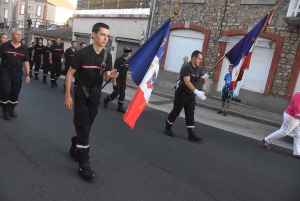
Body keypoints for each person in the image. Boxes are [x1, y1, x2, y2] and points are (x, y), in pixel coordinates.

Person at [64, 22, 118, 180]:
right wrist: (68, 95)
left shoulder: (107, 56)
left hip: (95, 96)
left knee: (86, 126)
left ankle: (75, 146)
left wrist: (112, 76)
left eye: (107, 36)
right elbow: (69, 74)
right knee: (84, 127)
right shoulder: (82, 53)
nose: (105, 38)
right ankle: (83, 163)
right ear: (93, 35)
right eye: (102, 34)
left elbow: (106, 76)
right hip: (81, 94)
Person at [164, 50, 209, 142]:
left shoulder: (198, 69)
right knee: (176, 111)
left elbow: (202, 81)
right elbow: (187, 81)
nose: (200, 60)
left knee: (190, 113)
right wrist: (197, 91)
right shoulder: (186, 67)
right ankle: (168, 127)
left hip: (191, 94)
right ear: (194, 58)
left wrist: (205, 78)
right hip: (182, 93)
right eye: (199, 58)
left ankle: (191, 133)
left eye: (201, 59)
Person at [0, 28, 30, 120]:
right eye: (17, 34)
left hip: (17, 73)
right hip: (5, 71)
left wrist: (28, 75)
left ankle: (11, 108)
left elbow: (26, 62)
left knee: (15, 91)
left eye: (20, 35)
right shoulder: (4, 46)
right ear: (12, 35)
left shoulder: (24, 48)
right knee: (6, 90)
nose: (19, 36)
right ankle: (5, 110)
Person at [263, 92, 300, 158]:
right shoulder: (299, 94)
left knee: (298, 135)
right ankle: (267, 140)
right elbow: (296, 106)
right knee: (284, 132)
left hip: (295, 118)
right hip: (291, 117)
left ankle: (297, 152)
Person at [103, 47, 132, 113]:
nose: (131, 55)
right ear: (127, 54)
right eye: (130, 53)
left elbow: (126, 72)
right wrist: (114, 81)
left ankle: (120, 107)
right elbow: (115, 71)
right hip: (117, 79)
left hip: (123, 80)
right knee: (116, 92)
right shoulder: (118, 60)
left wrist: (126, 80)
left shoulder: (128, 61)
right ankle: (107, 99)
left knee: (122, 93)